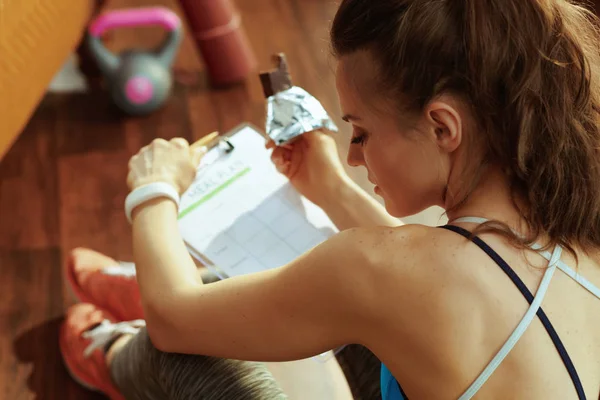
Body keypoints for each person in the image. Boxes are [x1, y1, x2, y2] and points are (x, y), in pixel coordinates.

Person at [59, 0, 600, 399]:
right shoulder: (577, 225)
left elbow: (174, 319)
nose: (355, 158)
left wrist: (153, 190)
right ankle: (153, 285)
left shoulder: (381, 271)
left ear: (442, 126)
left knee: (171, 346)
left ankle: (109, 354)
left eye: (360, 132)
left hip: (177, 320)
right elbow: (437, 274)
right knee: (302, 300)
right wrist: (332, 189)